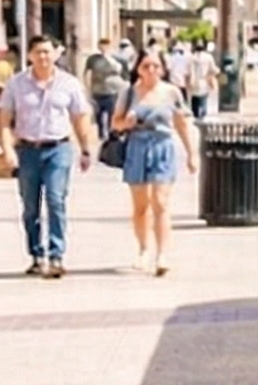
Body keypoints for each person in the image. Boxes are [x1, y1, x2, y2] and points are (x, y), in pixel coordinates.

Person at [0, 35, 95, 277]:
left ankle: (56, 256)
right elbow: (5, 120)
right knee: (30, 207)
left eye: (47, 52)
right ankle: (36, 254)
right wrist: (8, 149)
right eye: (37, 52)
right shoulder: (16, 84)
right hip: (27, 150)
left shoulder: (69, 84)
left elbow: (79, 117)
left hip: (58, 149)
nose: (43, 57)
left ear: (55, 54)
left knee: (56, 200)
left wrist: (85, 149)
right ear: (30, 55)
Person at [113, 48, 198, 276]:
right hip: (137, 147)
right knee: (141, 206)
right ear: (137, 68)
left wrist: (192, 154)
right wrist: (127, 122)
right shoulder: (129, 93)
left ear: (163, 68)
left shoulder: (172, 93)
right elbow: (115, 124)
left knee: (160, 203)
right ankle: (143, 249)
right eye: (146, 66)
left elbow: (181, 123)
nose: (151, 71)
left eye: (155, 66)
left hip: (162, 146)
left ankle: (162, 254)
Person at [83, 38, 127, 141]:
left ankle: (110, 132)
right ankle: (101, 132)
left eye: (106, 45)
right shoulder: (93, 59)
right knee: (98, 113)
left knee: (111, 112)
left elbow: (119, 70)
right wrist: (87, 87)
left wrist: (108, 57)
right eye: (101, 45)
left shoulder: (116, 58)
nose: (103, 47)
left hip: (112, 90)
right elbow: (87, 72)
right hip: (97, 90)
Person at [184, 38, 219, 122]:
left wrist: (187, 83)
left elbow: (187, 72)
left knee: (194, 100)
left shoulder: (191, 57)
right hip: (204, 81)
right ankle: (202, 117)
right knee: (203, 99)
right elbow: (213, 69)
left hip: (193, 81)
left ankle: (196, 117)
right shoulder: (208, 57)